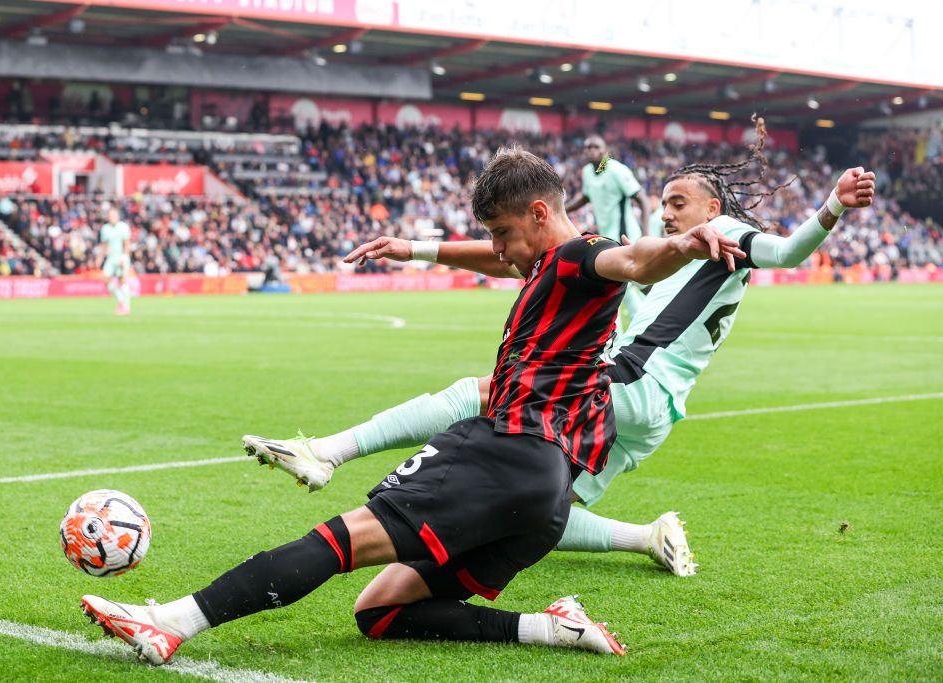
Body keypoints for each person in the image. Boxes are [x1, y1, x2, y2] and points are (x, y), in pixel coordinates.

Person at [81, 147, 743, 665]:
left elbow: (636, 261)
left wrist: (684, 244)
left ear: (540, 215)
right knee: (381, 609)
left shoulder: (584, 254)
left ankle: (170, 622)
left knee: (337, 541)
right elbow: (496, 257)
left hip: (502, 453)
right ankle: (552, 626)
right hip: (544, 500)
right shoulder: (551, 260)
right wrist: (416, 249)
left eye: (507, 232)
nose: (503, 249)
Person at [244, 120, 876, 578]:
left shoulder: (725, 234)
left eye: (679, 204)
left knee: (488, 395)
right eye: (662, 205)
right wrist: (415, 248)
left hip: (632, 384)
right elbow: (528, 264)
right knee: (539, 507)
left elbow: (788, 252)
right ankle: (646, 537)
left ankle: (327, 451)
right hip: (651, 413)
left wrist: (831, 207)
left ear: (712, 205)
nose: (667, 214)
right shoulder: (655, 253)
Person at [565, 135, 651, 322]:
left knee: (627, 284)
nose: (591, 150)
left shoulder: (617, 171)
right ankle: (627, 331)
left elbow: (642, 199)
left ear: (605, 149)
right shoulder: (589, 171)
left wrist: (646, 234)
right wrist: (561, 210)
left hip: (626, 236)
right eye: (588, 147)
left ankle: (640, 325)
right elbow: (586, 197)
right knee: (620, 285)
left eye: (596, 146)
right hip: (605, 238)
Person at [100, 207, 132, 316]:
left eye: (114, 215)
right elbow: (104, 245)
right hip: (110, 258)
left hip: (121, 257)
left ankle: (126, 306)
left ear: (118, 216)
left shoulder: (123, 227)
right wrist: (100, 257)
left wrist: (125, 256)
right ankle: (121, 300)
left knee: (122, 281)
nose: (112, 217)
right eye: (110, 215)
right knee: (105, 279)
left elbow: (127, 243)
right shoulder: (105, 228)